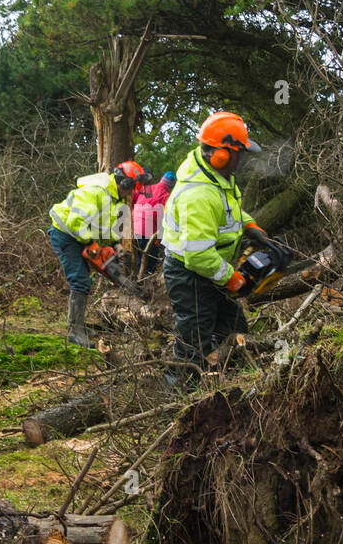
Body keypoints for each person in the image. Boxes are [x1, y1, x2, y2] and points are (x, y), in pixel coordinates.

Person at [161, 112, 276, 388]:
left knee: (234, 327)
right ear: (222, 154)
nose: (242, 160)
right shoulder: (198, 193)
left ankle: (228, 381)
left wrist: (249, 225)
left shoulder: (216, 176)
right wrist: (231, 278)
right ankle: (179, 392)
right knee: (193, 334)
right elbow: (198, 255)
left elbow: (227, 210)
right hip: (189, 273)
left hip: (211, 267)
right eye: (239, 154)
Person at [49, 160, 152, 346]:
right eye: (131, 188)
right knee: (79, 279)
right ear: (125, 183)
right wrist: (92, 246)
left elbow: (106, 226)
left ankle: (78, 324)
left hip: (79, 236)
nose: (132, 193)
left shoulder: (114, 197)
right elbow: (75, 221)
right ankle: (74, 331)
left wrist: (116, 246)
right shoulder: (97, 190)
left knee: (87, 277)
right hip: (66, 234)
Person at [132, 170, 175, 275]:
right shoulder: (166, 196)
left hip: (134, 228)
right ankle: (144, 284)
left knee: (138, 259)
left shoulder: (147, 189)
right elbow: (169, 217)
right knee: (150, 263)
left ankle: (136, 281)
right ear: (171, 186)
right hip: (148, 232)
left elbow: (133, 195)